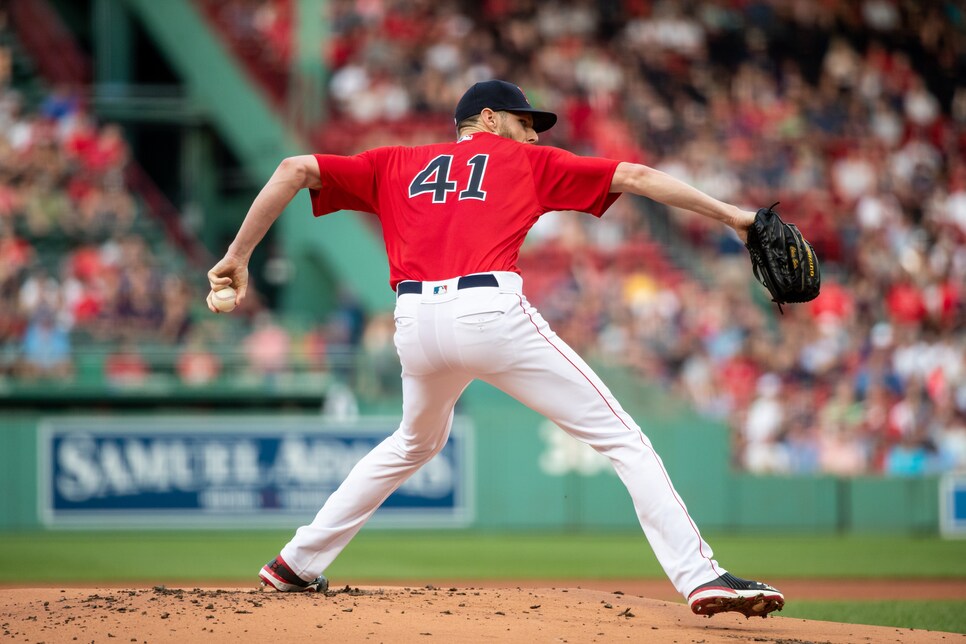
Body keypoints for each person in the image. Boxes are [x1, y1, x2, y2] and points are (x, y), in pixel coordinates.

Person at [206, 80, 784, 618]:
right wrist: (733, 216)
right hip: (488, 310)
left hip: (413, 321)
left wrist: (237, 255)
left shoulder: (395, 162)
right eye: (525, 121)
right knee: (622, 438)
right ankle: (700, 575)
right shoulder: (524, 161)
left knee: (413, 442)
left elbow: (292, 167)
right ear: (487, 118)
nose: (534, 134)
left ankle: (296, 563)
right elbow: (633, 176)